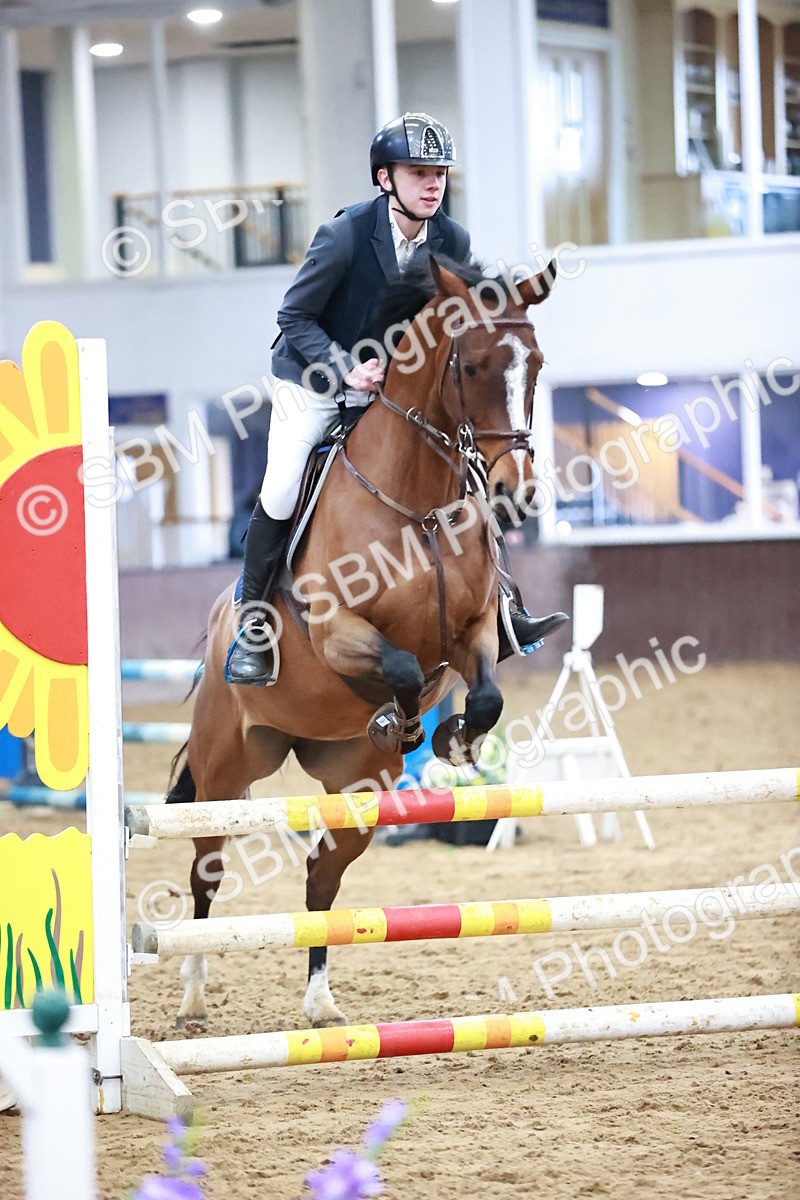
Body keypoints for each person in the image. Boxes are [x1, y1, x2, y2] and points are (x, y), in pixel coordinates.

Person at [226, 112, 566, 685]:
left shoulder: (451, 239)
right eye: (418, 173)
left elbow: (466, 317)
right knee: (283, 483)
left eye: (439, 174)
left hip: (389, 387)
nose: (433, 184)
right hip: (312, 378)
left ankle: (505, 606)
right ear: (385, 179)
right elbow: (294, 316)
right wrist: (343, 368)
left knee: (470, 470)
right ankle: (253, 625)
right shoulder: (346, 235)